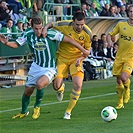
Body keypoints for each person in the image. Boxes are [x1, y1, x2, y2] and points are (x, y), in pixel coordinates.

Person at [0, 17, 90, 119]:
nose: (39, 31)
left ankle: (37, 108)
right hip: (36, 66)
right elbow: (16, 44)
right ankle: (24, 112)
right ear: (31, 27)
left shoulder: (50, 33)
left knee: (40, 84)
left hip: (49, 68)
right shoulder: (28, 34)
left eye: (40, 28)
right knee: (27, 91)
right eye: (36, 29)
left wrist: (83, 50)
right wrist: (6, 43)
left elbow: (68, 39)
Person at [43, 12, 92, 119]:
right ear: (73, 21)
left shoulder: (87, 33)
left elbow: (87, 52)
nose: (80, 27)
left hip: (76, 60)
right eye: (77, 24)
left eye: (82, 24)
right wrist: (45, 29)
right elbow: (50, 24)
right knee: (56, 86)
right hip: (62, 58)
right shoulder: (64, 25)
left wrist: (80, 59)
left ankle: (68, 112)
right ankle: (61, 89)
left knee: (78, 85)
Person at [107, 4, 133, 109]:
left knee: (124, 77)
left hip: (130, 58)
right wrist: (109, 42)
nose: (132, 14)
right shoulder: (121, 25)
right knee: (118, 81)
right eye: (131, 12)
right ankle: (120, 102)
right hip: (119, 57)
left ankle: (127, 89)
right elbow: (110, 34)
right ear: (128, 13)